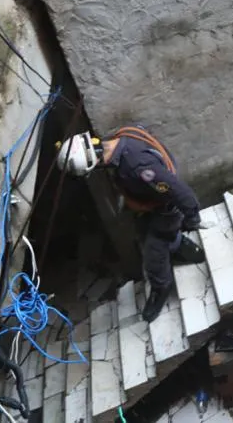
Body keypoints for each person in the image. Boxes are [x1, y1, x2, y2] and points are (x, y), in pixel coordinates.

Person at [55, 124, 206, 323]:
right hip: (152, 204)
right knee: (144, 231)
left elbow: (180, 192)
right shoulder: (123, 136)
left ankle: (161, 287)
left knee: (154, 253)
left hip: (166, 209)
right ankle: (178, 244)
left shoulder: (139, 167)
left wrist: (192, 218)